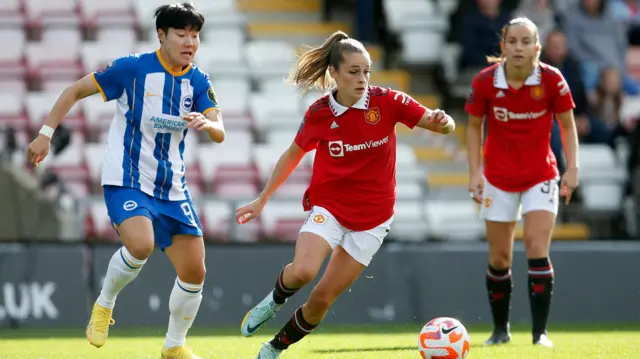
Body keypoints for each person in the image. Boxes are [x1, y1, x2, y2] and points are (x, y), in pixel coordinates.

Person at [235, 31, 455, 359]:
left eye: (366, 70)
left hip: (374, 219)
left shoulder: (388, 102)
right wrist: (263, 198)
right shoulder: (320, 113)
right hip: (331, 207)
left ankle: (274, 348)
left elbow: (440, 124)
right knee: (304, 271)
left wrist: (446, 121)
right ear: (334, 74)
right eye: (353, 71)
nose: (363, 78)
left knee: (322, 299)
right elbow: (292, 155)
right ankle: (274, 300)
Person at [26, 3, 224, 359]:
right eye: (181, 34)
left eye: (195, 35)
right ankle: (104, 304)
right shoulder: (132, 68)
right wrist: (45, 133)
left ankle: (173, 346)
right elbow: (74, 91)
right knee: (141, 244)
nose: (189, 42)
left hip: (172, 188)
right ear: (161, 35)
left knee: (195, 271)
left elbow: (220, 130)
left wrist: (208, 125)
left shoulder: (198, 81)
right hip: (127, 177)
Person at [465, 17, 579, 348]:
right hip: (497, 178)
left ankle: (539, 334)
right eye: (512, 41)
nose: (518, 47)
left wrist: (572, 169)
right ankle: (500, 331)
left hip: (540, 175)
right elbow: (473, 127)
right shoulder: (485, 81)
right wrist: (475, 172)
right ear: (502, 46)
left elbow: (568, 125)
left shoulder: (553, 80)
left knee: (535, 245)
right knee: (499, 258)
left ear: (537, 47)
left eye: (525, 41)